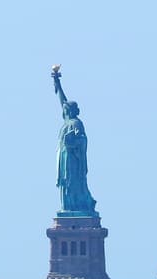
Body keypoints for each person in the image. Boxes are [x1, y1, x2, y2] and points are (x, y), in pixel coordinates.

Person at [51, 66, 97, 215]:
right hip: (64, 157)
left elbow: (82, 140)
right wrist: (57, 83)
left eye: (67, 109)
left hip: (73, 160)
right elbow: (62, 101)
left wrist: (73, 143)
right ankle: (68, 207)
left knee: (72, 182)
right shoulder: (67, 120)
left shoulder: (76, 123)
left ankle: (75, 206)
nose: (64, 110)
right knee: (65, 183)